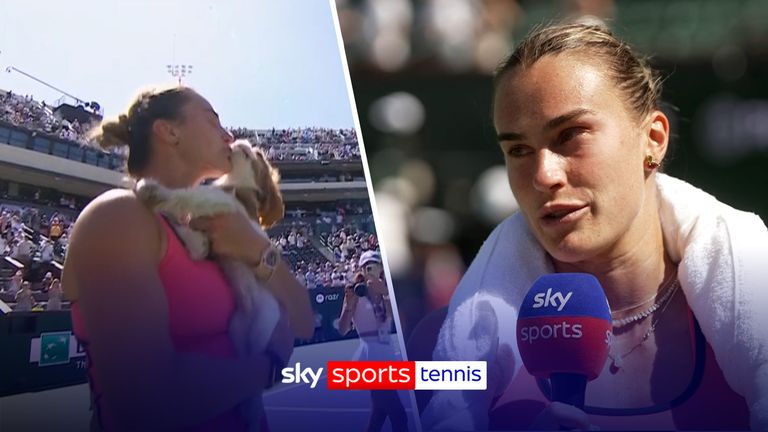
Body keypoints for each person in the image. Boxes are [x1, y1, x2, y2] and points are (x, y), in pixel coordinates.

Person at [421, 22, 768, 431]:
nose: (543, 175)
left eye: (570, 135)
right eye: (518, 149)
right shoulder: (437, 348)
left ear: (653, 139)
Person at [62, 85, 314, 431]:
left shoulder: (214, 225)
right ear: (170, 132)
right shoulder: (117, 216)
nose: (229, 135)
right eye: (213, 121)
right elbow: (147, 398)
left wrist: (259, 251)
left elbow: (304, 321)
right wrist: (267, 367)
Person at [339, 251, 408, 432]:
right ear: (361, 269)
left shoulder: (387, 288)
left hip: (385, 351)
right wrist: (348, 306)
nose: (370, 269)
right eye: (366, 266)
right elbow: (343, 328)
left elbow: (396, 318)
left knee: (379, 413)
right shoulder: (355, 291)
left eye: (374, 265)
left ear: (381, 268)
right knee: (398, 414)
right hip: (370, 355)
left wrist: (385, 293)